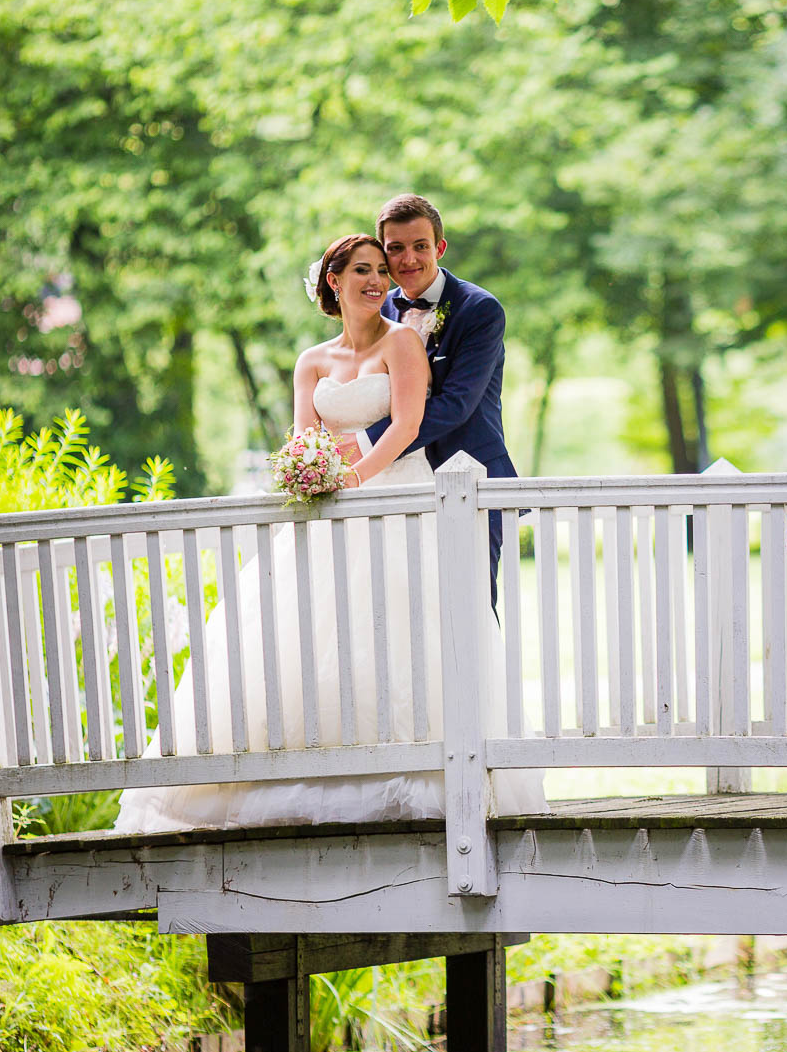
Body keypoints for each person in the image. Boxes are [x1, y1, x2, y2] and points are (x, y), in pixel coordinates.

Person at [112, 234, 545, 834]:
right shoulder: (311, 360)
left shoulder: (403, 342)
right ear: (333, 282)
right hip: (327, 508)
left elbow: (408, 424)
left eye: (380, 270)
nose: (377, 279)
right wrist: (306, 470)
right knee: (306, 632)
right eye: (362, 270)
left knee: (406, 629)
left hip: (397, 499)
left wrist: (352, 479)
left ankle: (423, 781)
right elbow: (302, 436)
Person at [340, 193, 517, 603]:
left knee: (468, 608)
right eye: (395, 248)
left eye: (420, 246)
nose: (408, 259)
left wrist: (365, 444)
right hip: (391, 486)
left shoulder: (479, 310)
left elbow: (457, 404)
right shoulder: (376, 309)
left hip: (468, 477)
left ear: (439, 247)